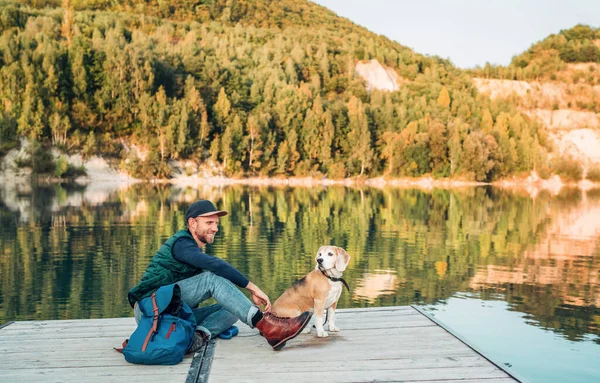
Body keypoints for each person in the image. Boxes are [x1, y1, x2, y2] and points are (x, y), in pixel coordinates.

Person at [128, 199, 311, 352]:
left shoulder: (192, 249)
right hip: (149, 310)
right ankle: (269, 327)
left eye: (216, 223)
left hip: (172, 313)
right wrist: (253, 287)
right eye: (209, 223)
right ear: (192, 223)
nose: (215, 228)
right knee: (211, 277)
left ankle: (199, 336)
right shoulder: (181, 244)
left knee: (233, 307)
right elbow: (215, 265)